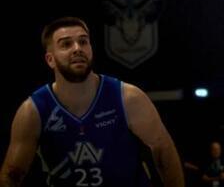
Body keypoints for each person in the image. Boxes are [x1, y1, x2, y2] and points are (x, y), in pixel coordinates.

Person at [0, 16, 185, 186]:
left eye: (83, 41)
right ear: (50, 60)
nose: (77, 48)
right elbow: (12, 174)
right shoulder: (32, 110)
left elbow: (163, 151)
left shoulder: (128, 97)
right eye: (66, 44)